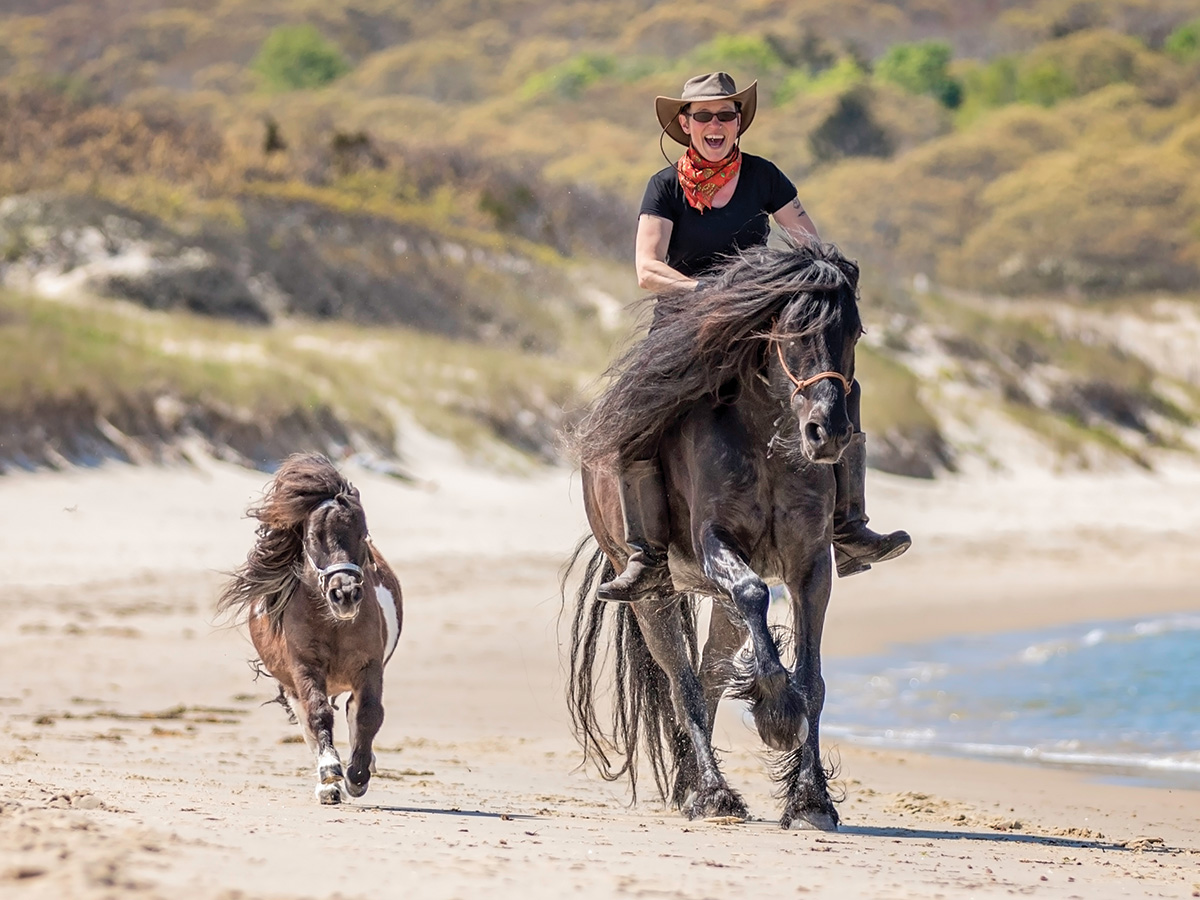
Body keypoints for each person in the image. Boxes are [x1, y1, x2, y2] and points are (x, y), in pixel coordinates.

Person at [596, 72, 911, 603]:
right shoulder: (665, 187)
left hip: (755, 328)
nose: (715, 125)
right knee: (634, 420)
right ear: (685, 125)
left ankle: (850, 528)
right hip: (683, 327)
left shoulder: (764, 178)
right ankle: (647, 554)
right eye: (703, 116)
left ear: (739, 122)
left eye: (725, 115)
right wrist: (717, 291)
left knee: (839, 389)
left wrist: (822, 279)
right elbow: (648, 271)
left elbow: (810, 246)